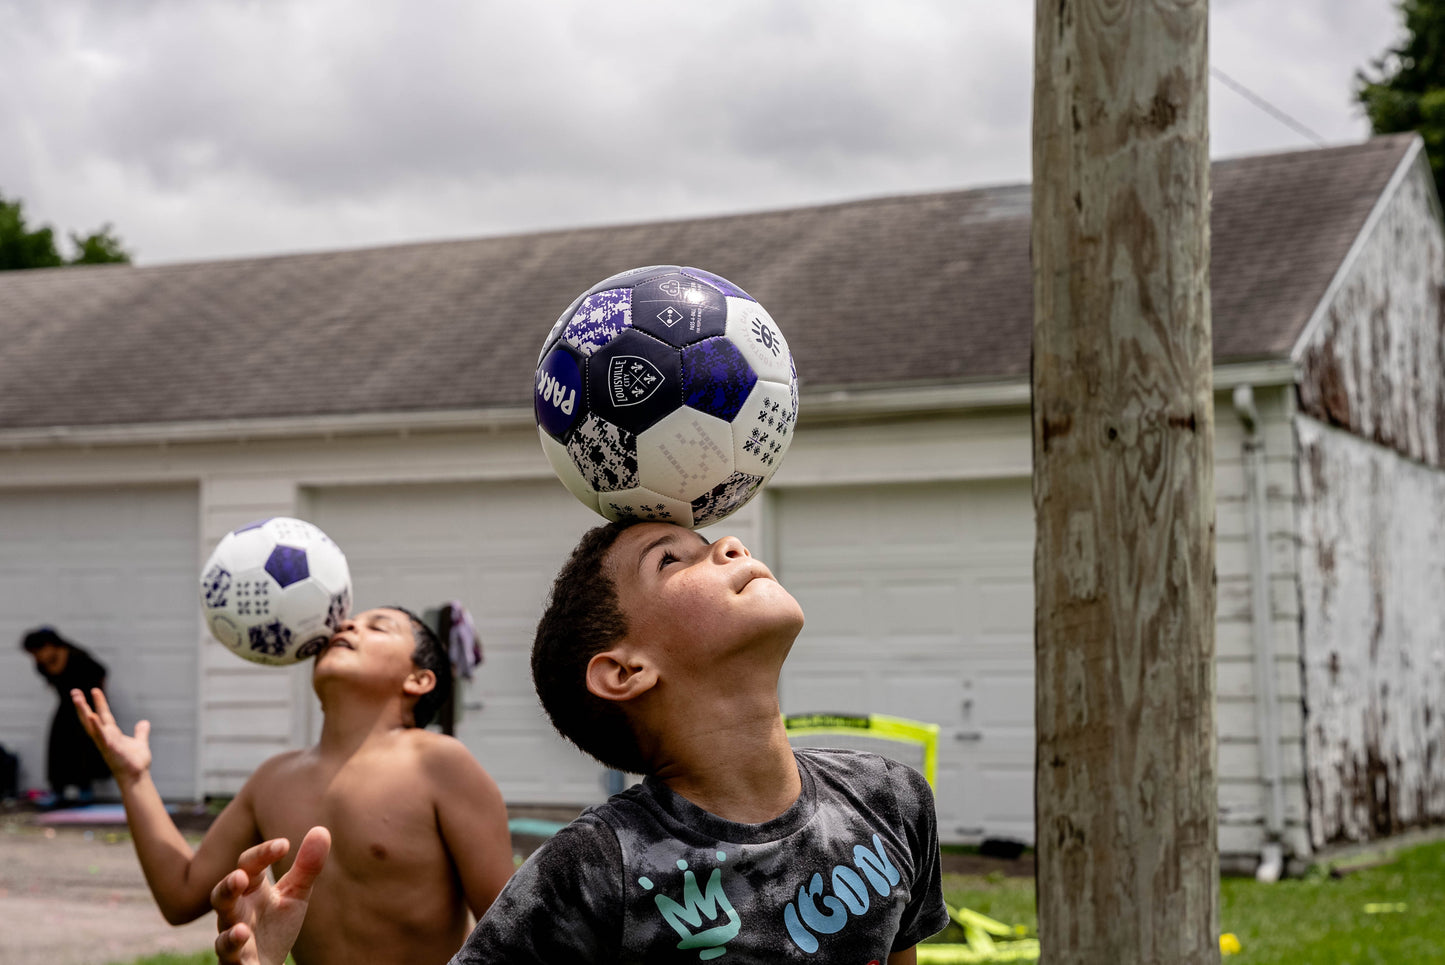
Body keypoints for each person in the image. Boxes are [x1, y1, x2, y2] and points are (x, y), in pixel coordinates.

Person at [211, 523, 949, 964]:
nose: (730, 543)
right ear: (625, 669)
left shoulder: (890, 798)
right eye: (672, 558)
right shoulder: (593, 871)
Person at [73, 606, 514, 965]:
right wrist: (133, 778)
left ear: (418, 680)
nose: (346, 624)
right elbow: (181, 894)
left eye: (377, 626)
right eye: (345, 623)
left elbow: (515, 932)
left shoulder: (440, 763)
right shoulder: (273, 778)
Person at [21, 627, 111, 804]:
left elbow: (101, 673)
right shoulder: (41, 665)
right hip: (65, 706)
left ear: (49, 645)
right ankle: (58, 791)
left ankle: (85, 790)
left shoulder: (78, 657)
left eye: (38, 651)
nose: (36, 656)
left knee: (83, 746)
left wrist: (97, 701)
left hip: (86, 707)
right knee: (58, 746)